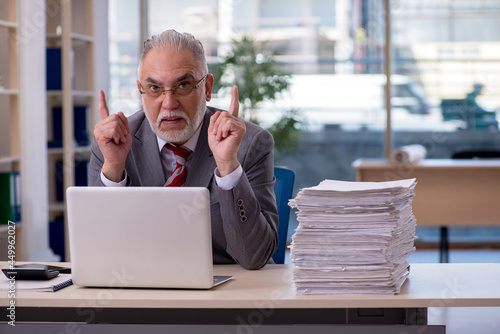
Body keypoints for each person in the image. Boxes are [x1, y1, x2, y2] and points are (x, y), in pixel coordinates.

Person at [88, 30, 278, 270]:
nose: (169, 103)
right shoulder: (112, 142)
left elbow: (254, 256)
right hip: (141, 288)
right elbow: (99, 253)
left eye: (184, 85)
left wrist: (228, 165)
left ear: (207, 88)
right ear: (141, 92)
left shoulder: (250, 143)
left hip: (228, 291)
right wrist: (114, 169)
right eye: (155, 88)